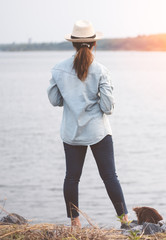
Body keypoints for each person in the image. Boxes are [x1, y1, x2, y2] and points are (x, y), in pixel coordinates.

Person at [47, 20, 129, 227]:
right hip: (98, 131)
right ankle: (124, 220)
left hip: (71, 132)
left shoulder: (58, 69)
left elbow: (55, 101)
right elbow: (108, 107)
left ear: (73, 44)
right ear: (94, 44)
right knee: (110, 176)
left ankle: (75, 223)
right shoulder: (101, 70)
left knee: (72, 178)